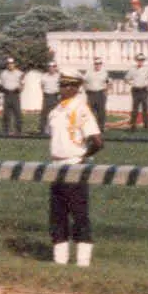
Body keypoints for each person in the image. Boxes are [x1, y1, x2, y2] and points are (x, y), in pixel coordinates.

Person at [47, 70, 104, 263]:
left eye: (68, 85)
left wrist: (82, 156)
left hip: (74, 164)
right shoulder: (55, 111)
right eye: (62, 85)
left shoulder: (80, 108)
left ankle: (82, 262)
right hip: (56, 166)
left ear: (76, 88)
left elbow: (97, 141)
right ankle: (60, 259)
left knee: (79, 214)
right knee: (57, 214)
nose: (64, 88)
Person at [80, 56, 110, 132]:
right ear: (94, 64)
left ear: (101, 64)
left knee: (101, 113)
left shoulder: (104, 73)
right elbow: (83, 81)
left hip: (100, 94)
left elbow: (108, 82)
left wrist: (106, 91)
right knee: (90, 112)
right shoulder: (89, 72)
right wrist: (86, 89)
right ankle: (91, 128)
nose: (97, 65)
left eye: (99, 63)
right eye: (96, 63)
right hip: (91, 94)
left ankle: (101, 128)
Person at [125, 54, 148, 130]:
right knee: (135, 109)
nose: (140, 61)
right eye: (139, 60)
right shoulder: (132, 69)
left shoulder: (147, 69)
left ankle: (146, 126)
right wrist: (131, 83)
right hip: (136, 90)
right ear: (136, 60)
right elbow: (126, 79)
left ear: (144, 61)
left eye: (142, 60)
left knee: (145, 108)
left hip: (144, 90)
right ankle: (133, 126)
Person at [0, 58, 24, 136]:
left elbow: (22, 84)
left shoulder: (19, 73)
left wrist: (20, 88)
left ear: (14, 64)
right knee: (6, 114)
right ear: (7, 64)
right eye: (9, 63)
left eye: (12, 63)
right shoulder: (3, 73)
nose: (10, 65)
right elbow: (0, 83)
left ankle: (18, 131)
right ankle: (6, 131)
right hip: (7, 94)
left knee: (17, 113)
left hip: (15, 94)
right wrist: (3, 89)